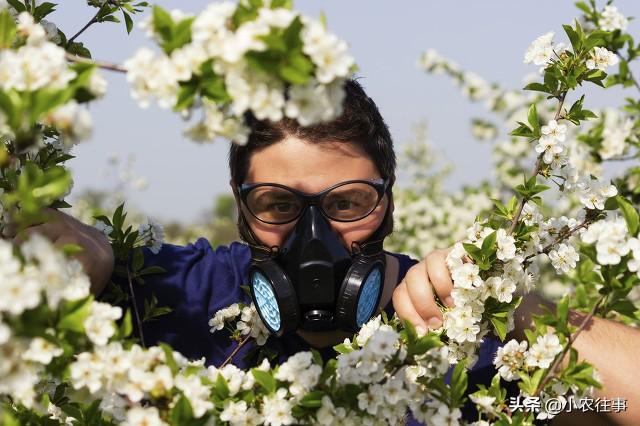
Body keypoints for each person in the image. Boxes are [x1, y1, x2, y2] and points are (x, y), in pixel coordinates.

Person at [15, 79, 640, 424]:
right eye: (279, 206)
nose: (314, 238)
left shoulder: (462, 340)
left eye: (347, 204)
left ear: (389, 202)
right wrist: (78, 257)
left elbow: (615, 403)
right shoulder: (180, 298)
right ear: (241, 207)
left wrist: (517, 310)